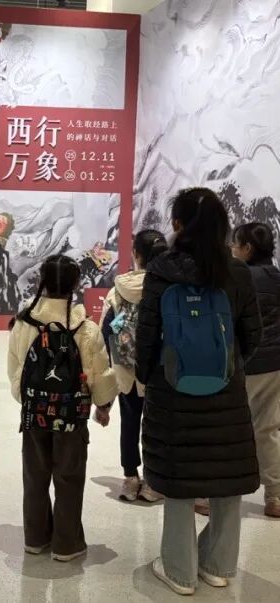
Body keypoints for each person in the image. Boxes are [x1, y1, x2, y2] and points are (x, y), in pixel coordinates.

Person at [136, 188, 261, 595]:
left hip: (172, 391)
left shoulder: (161, 271)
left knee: (179, 481)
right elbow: (253, 337)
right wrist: (226, 365)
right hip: (226, 394)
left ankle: (180, 571)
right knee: (226, 479)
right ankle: (218, 566)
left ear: (176, 224)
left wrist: (147, 376)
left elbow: (147, 336)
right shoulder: (237, 272)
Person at [8, 255, 118, 562]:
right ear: (76, 284)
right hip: (72, 417)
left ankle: (35, 538)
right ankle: (66, 544)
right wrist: (103, 406)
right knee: (69, 477)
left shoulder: (24, 323)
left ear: (43, 281)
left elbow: (15, 371)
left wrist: (31, 399)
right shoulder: (85, 327)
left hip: (34, 415)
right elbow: (100, 374)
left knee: (35, 476)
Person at [100, 230, 168, 503]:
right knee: (157, 426)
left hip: (126, 369)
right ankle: (152, 481)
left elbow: (106, 331)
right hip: (160, 371)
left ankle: (130, 478)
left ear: (136, 255)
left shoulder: (119, 287)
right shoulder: (168, 286)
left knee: (129, 424)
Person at [230, 222, 280, 518]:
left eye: (236, 245)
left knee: (230, 430)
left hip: (247, 364)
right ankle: (275, 496)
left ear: (247, 248)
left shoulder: (242, 277)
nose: (233, 250)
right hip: (276, 365)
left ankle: (215, 496)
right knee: (268, 429)